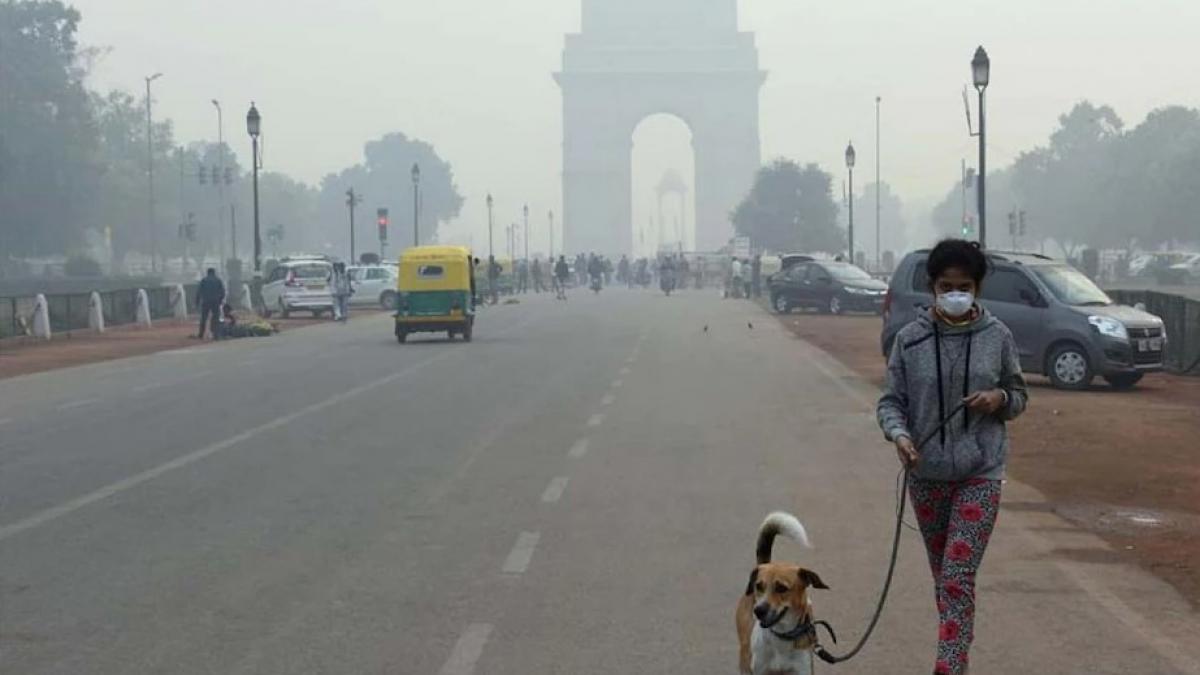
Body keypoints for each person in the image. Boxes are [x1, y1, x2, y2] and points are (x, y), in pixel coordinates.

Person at [876, 239, 1028, 675]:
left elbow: (1019, 395)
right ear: (932, 286)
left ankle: (947, 667)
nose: (955, 294)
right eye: (947, 285)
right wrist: (900, 436)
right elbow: (891, 402)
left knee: (959, 577)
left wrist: (998, 397)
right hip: (926, 475)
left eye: (965, 286)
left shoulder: (997, 337)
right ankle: (956, 658)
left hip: (980, 473)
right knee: (945, 580)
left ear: (978, 288)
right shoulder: (910, 339)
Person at [195, 267, 225, 339]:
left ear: (207, 273)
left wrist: (197, 302)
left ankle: (201, 334)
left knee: (203, 318)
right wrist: (220, 300)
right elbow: (222, 292)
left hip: (206, 301)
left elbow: (199, 292)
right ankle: (216, 334)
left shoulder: (204, 280)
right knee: (215, 318)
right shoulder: (218, 280)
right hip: (215, 301)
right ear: (214, 273)